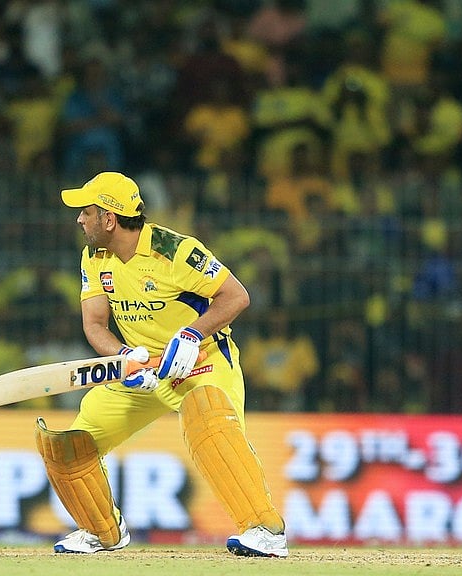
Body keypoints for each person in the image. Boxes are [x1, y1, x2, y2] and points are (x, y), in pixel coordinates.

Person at [36, 172, 287, 557]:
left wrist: (191, 335)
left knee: (207, 419)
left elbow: (236, 296)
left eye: (86, 212)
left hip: (198, 362)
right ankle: (101, 532)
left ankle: (265, 530)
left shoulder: (175, 251)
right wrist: (122, 357)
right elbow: (94, 324)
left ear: (109, 219)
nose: (79, 220)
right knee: (69, 448)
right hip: (141, 372)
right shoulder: (94, 256)